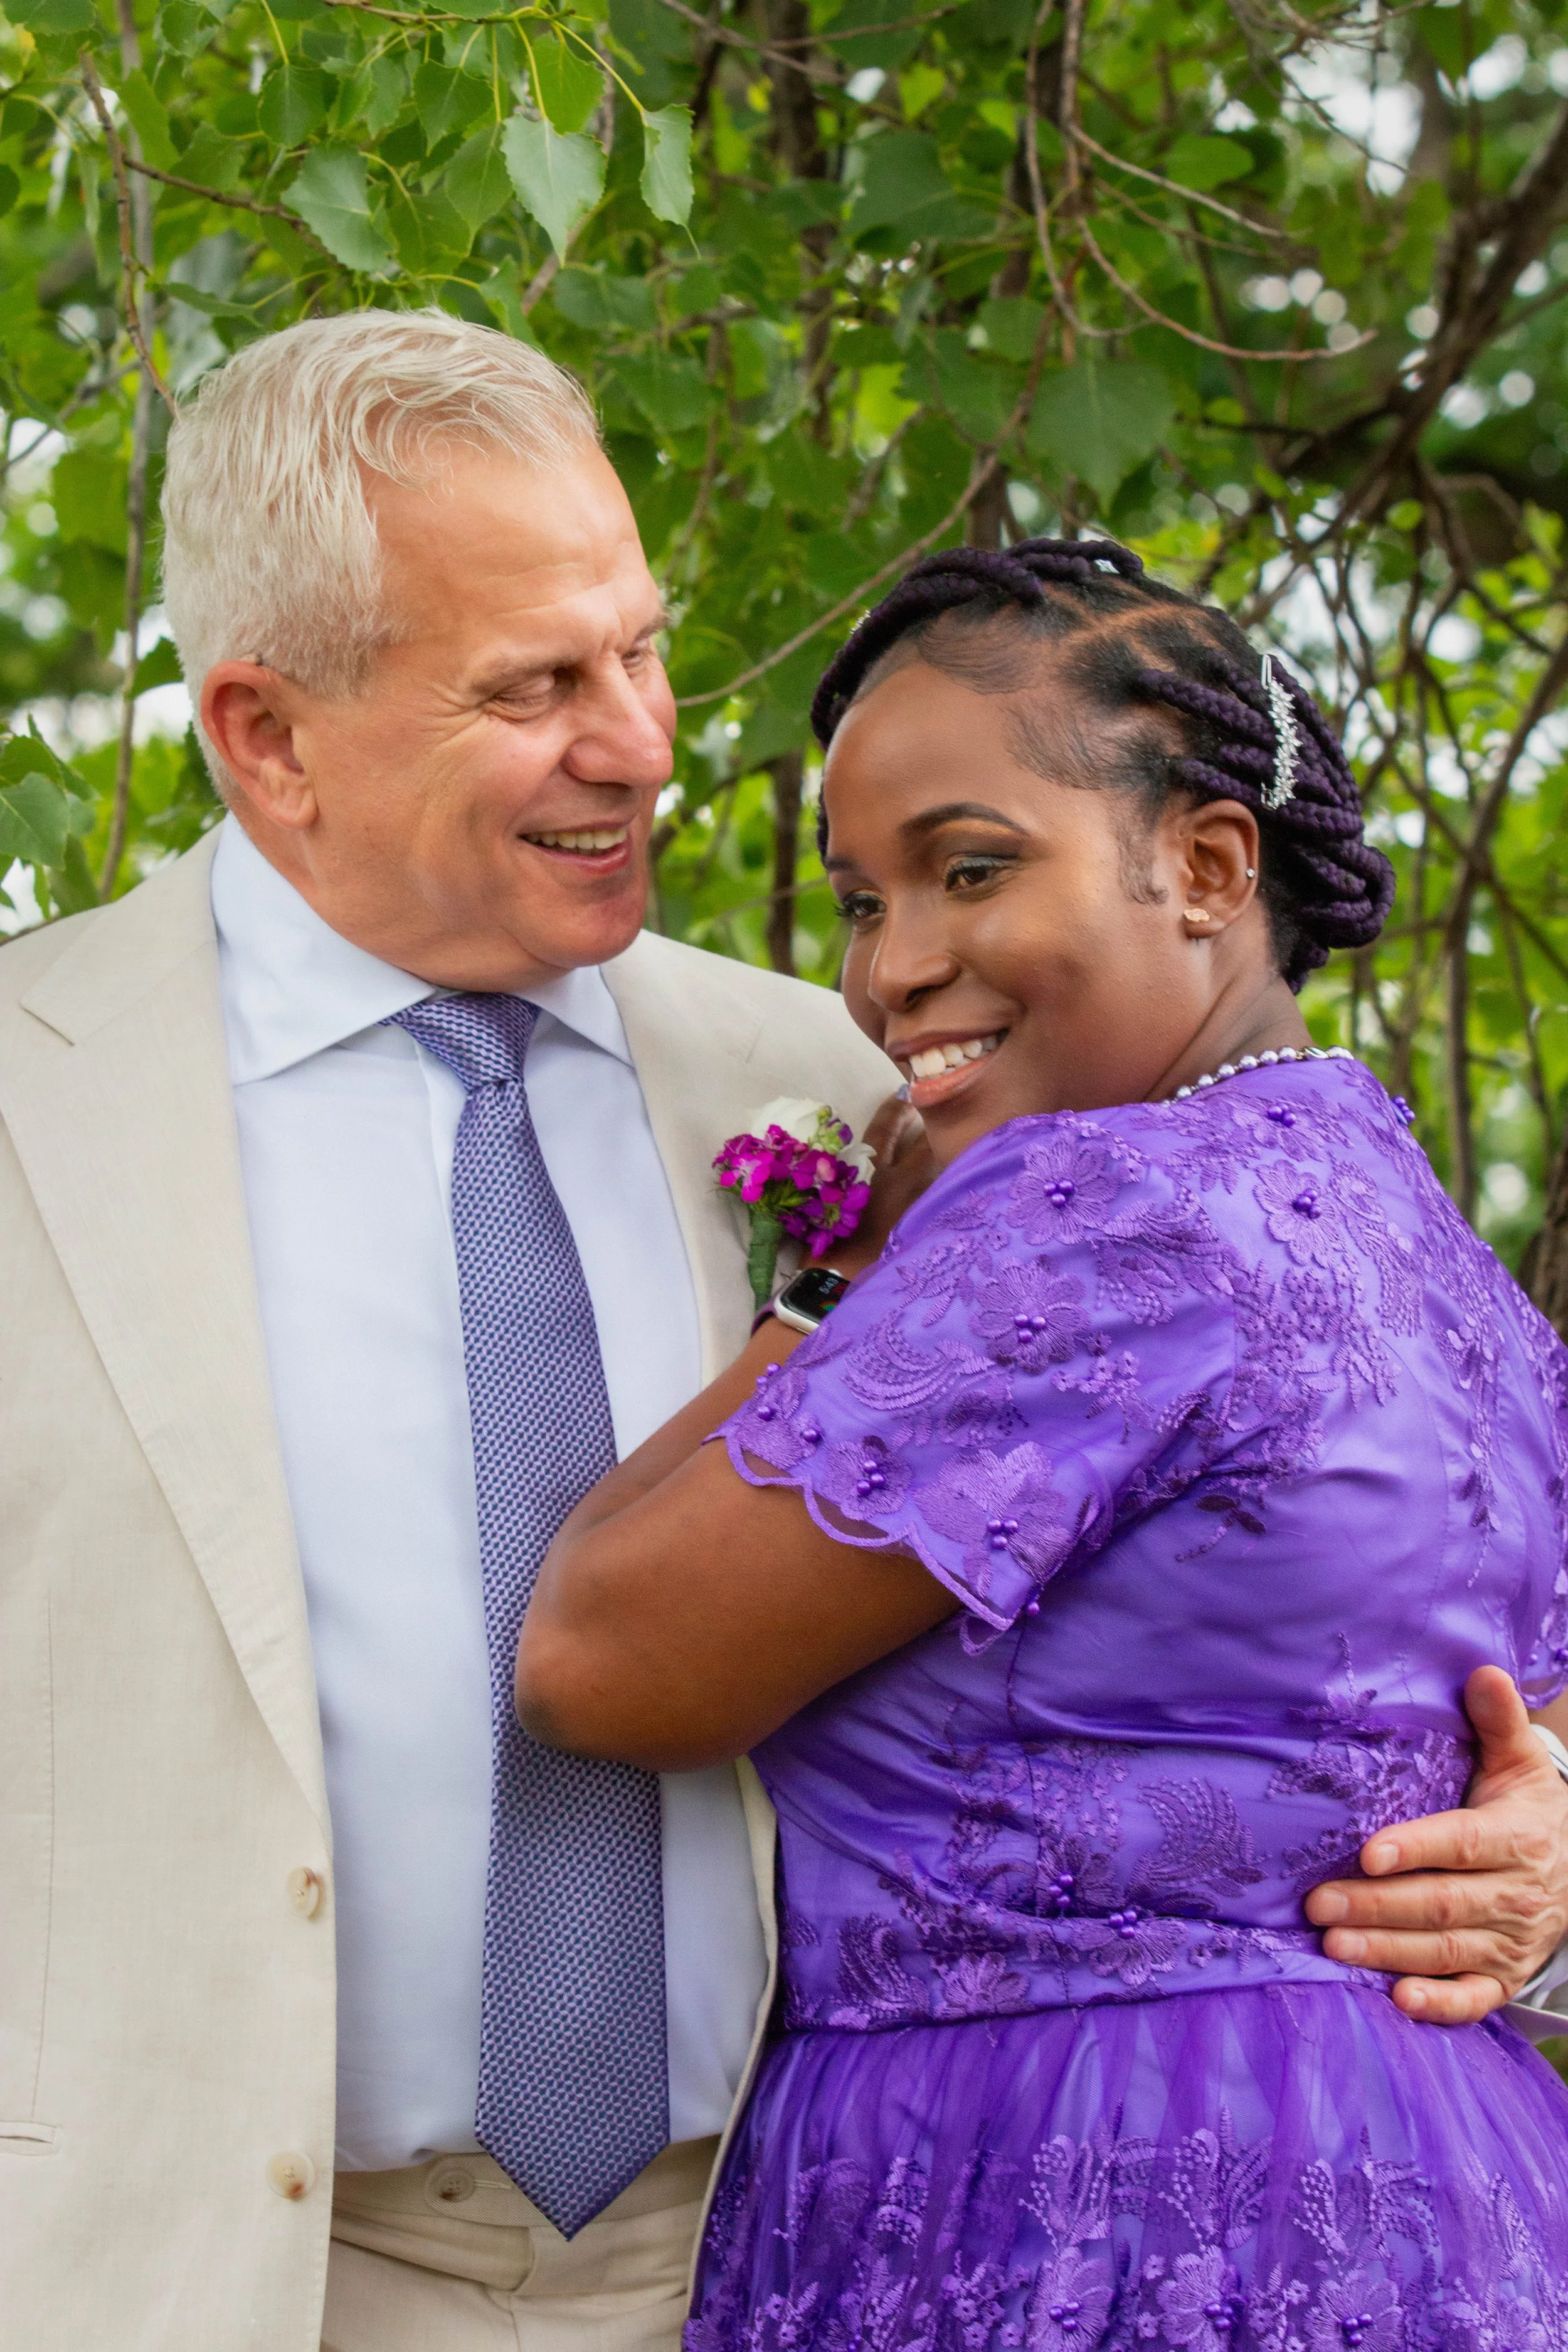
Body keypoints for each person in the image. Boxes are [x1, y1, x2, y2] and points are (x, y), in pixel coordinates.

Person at [0, 325, 1559, 2352]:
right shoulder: (42, 1104)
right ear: (267, 734)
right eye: (535, 685)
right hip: (202, 2270)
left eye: (638, 651)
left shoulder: (886, 1093)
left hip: (832, 2246)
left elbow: (1347, 1549)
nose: (640, 740)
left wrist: (1531, 1832)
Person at [517, 537, 1568, 2347]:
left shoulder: (1096, 1213)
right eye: (859, 900)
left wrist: (830, 1282)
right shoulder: (1446, 1266)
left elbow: (602, 1659)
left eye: (970, 869)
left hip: (1061, 2190)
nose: (893, 968)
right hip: (1437, 2188)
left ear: (1207, 862)